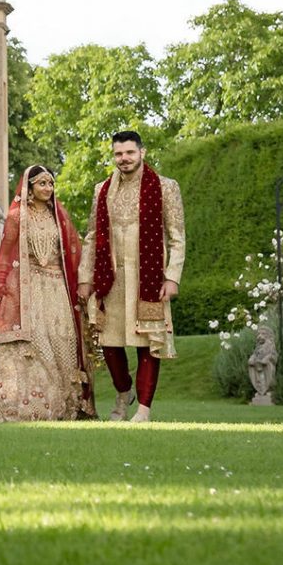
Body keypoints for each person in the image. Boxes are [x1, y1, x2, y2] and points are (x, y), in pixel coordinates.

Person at [79, 130, 186, 422]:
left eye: (129, 152)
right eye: (118, 154)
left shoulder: (165, 187)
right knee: (109, 342)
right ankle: (124, 392)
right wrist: (85, 278)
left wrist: (172, 277)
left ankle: (143, 410)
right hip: (109, 279)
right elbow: (91, 236)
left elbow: (177, 237)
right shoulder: (102, 189)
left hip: (148, 280)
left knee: (148, 341)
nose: (123, 159)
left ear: (142, 152)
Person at [0, 164, 95, 421]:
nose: (47, 188)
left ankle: (68, 407)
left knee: (63, 341)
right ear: (29, 187)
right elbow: (6, 255)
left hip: (56, 289)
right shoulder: (18, 216)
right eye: (42, 183)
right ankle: (23, 408)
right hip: (28, 290)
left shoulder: (58, 217)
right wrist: (2, 288)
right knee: (32, 344)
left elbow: (75, 251)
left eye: (50, 184)